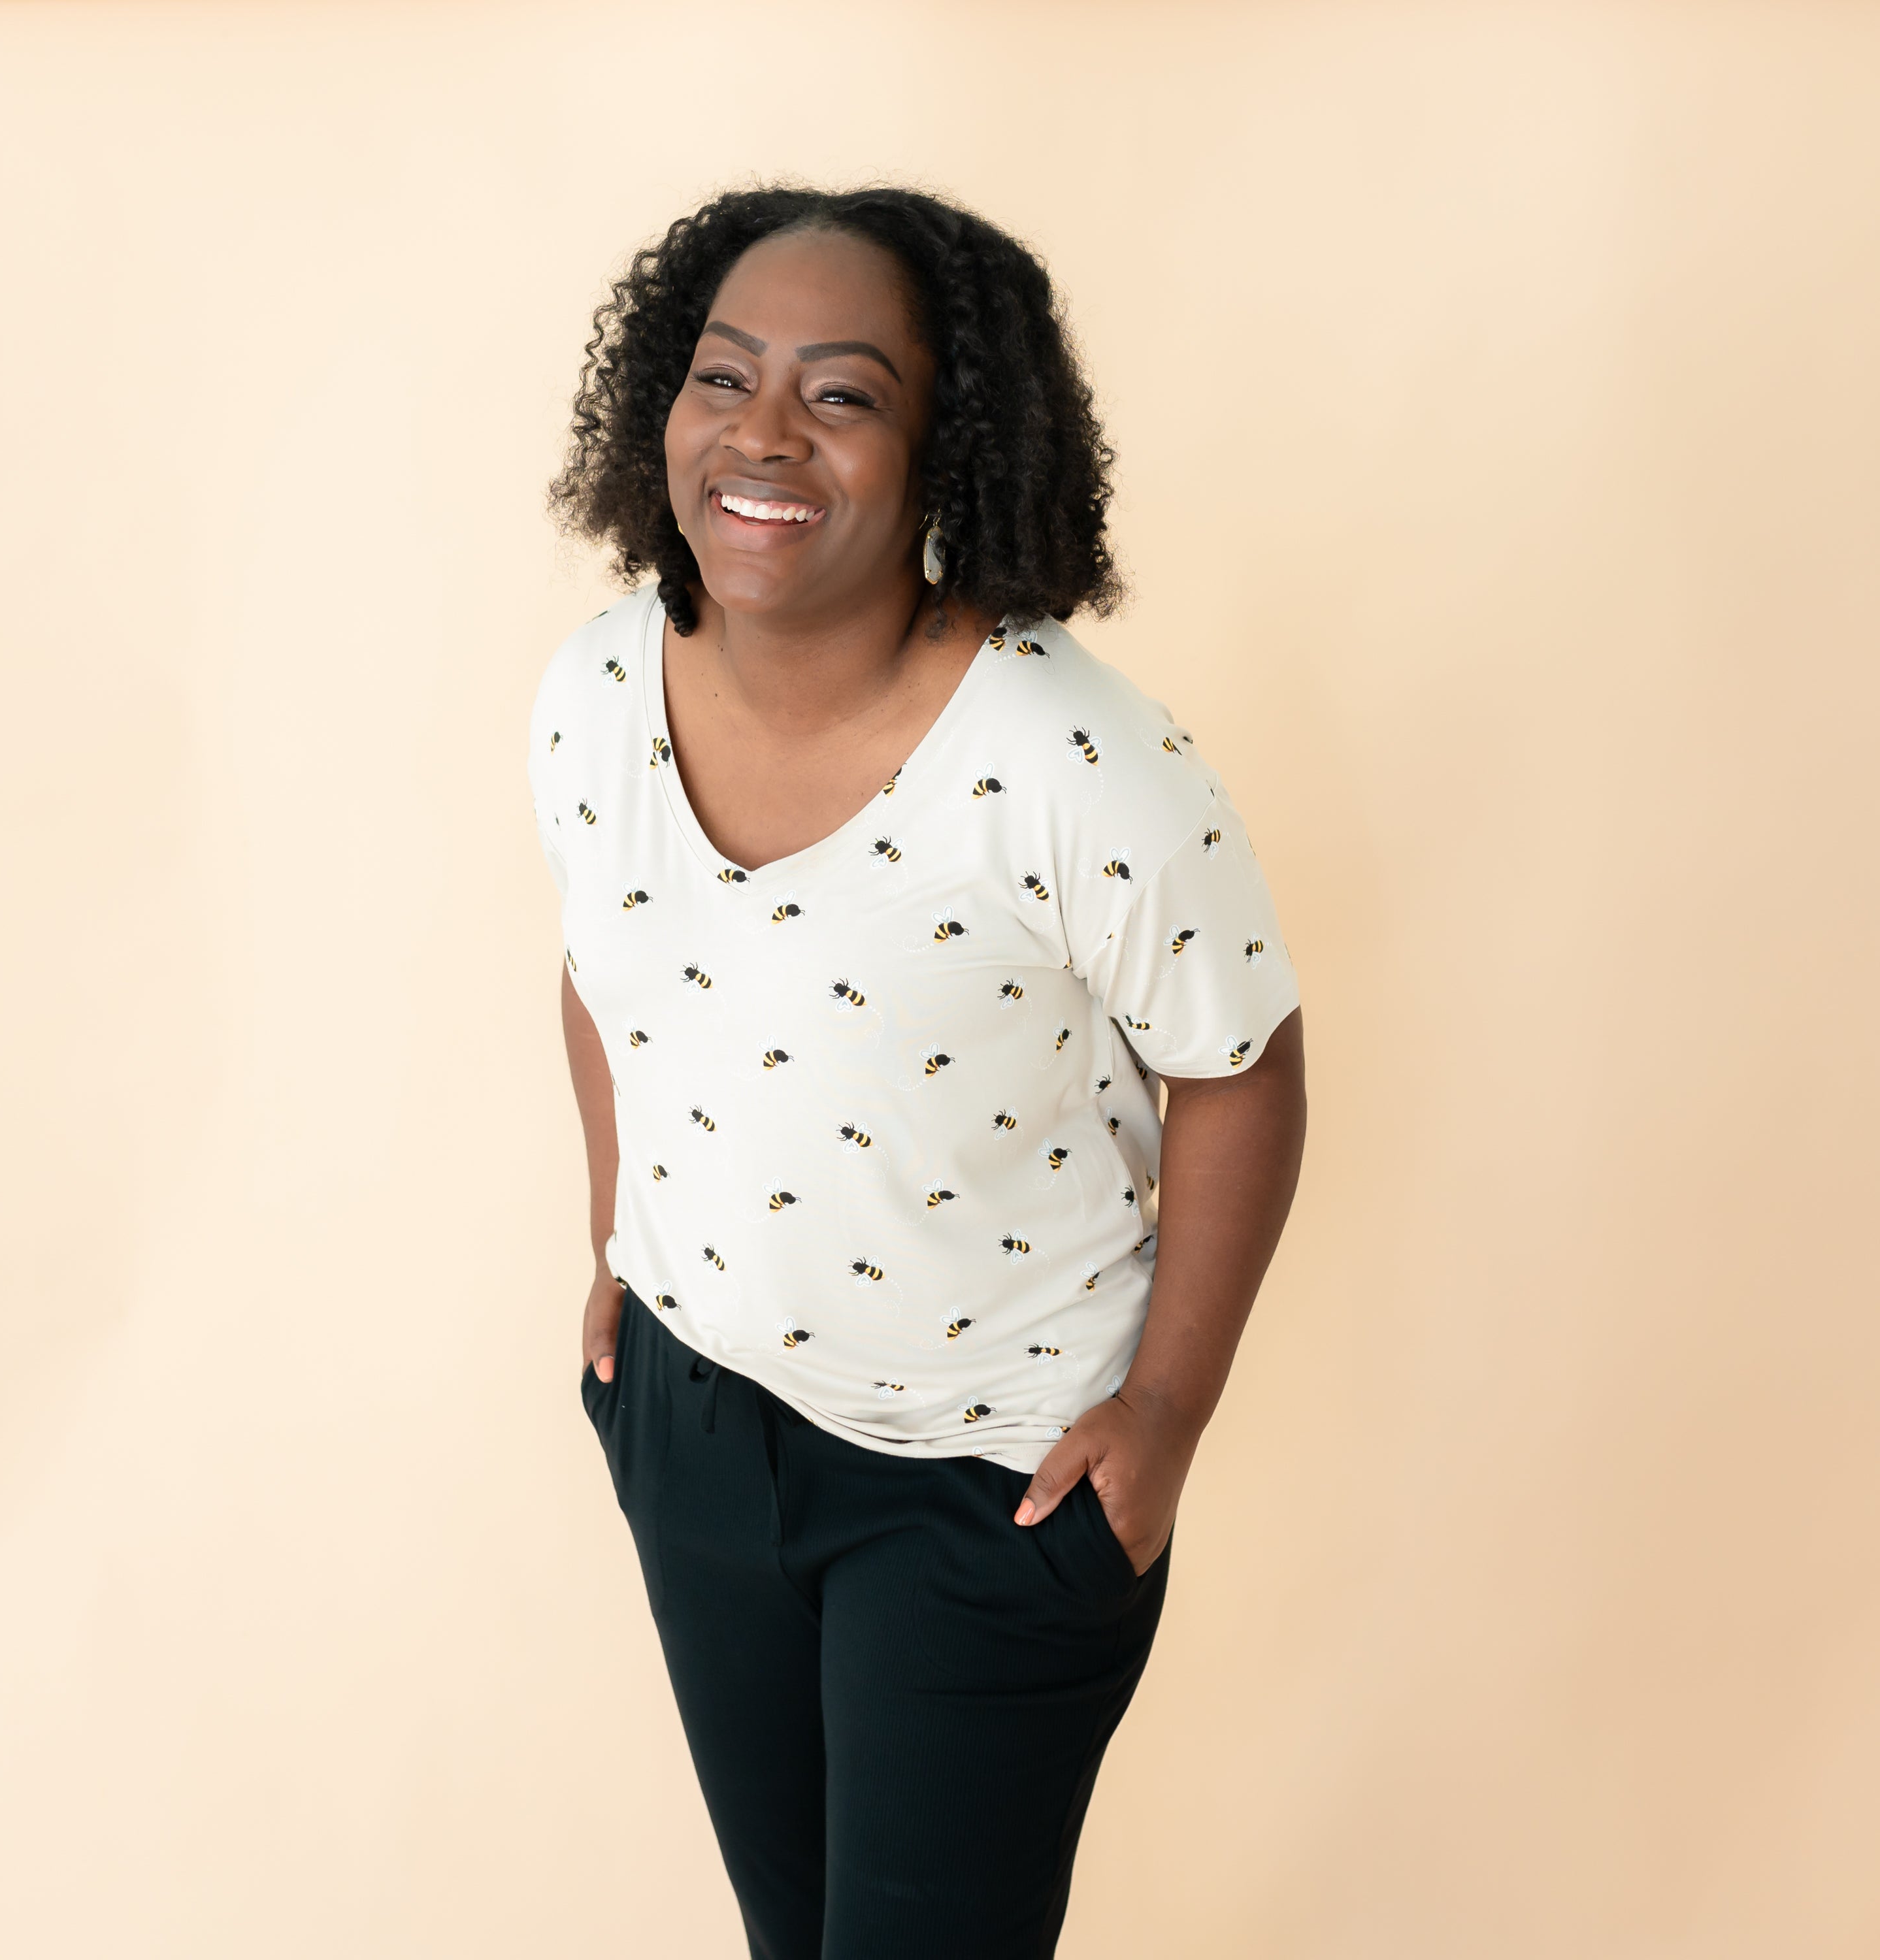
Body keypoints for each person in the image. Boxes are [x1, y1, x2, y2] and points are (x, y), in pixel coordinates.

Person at [527, 184, 1307, 1960]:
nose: (764, 434)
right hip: (696, 1422)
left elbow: (1244, 1069)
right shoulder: (591, 697)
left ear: (952, 441)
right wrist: (616, 1251)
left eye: (846, 393)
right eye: (723, 376)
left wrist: (1163, 1421)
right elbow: (606, 980)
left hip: (987, 1486)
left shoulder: (1071, 756)